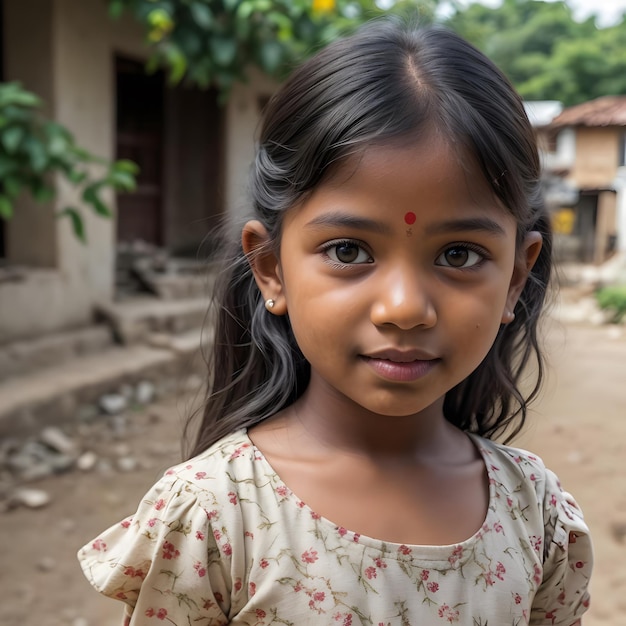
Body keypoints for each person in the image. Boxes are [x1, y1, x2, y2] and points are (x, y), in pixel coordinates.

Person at [78, 18, 592, 625]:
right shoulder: (215, 518)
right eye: (348, 251)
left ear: (514, 277)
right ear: (271, 268)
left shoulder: (536, 518)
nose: (403, 308)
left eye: (459, 255)